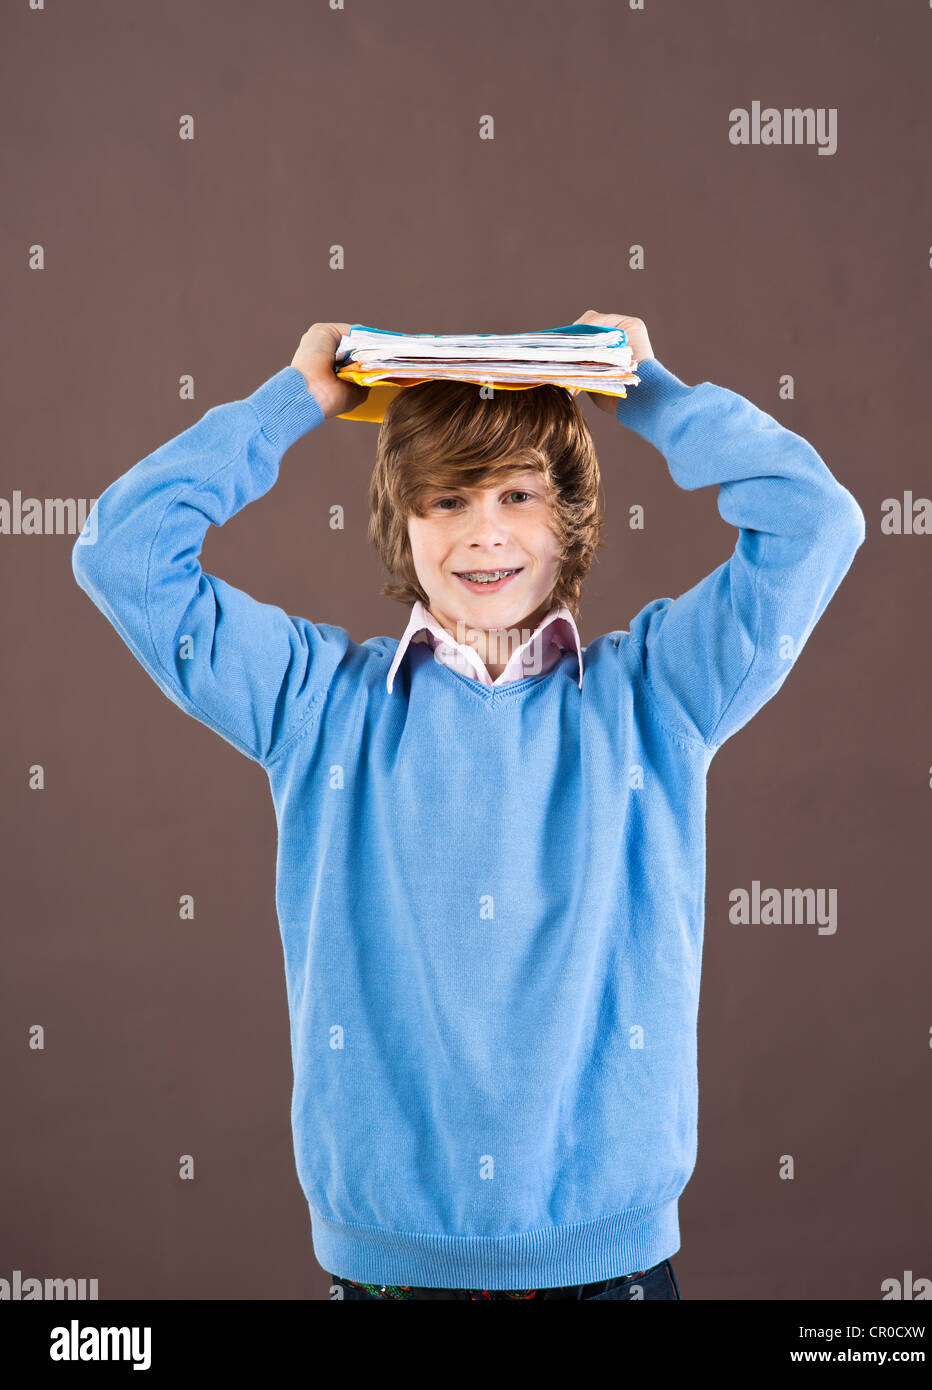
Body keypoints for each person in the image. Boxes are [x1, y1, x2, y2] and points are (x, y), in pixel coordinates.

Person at [71, 312, 865, 1301]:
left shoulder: (657, 695)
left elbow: (816, 522)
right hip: (387, 1268)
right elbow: (124, 553)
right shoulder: (320, 704)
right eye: (446, 499)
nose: (484, 530)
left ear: (568, 518)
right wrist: (299, 399)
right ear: (402, 524)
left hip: (610, 1267)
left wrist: (648, 389)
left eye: (517, 494)